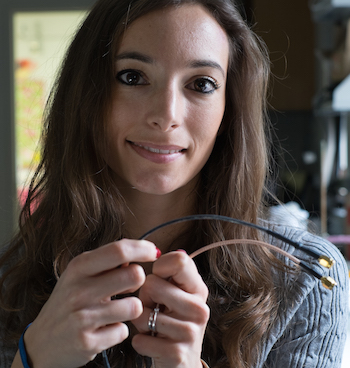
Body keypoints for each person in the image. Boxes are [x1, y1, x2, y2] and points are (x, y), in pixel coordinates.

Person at [0, 0, 348, 367]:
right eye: (132, 76)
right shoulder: (11, 281)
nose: (166, 116)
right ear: (85, 96)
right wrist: (32, 359)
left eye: (201, 84)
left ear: (229, 110)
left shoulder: (309, 280)